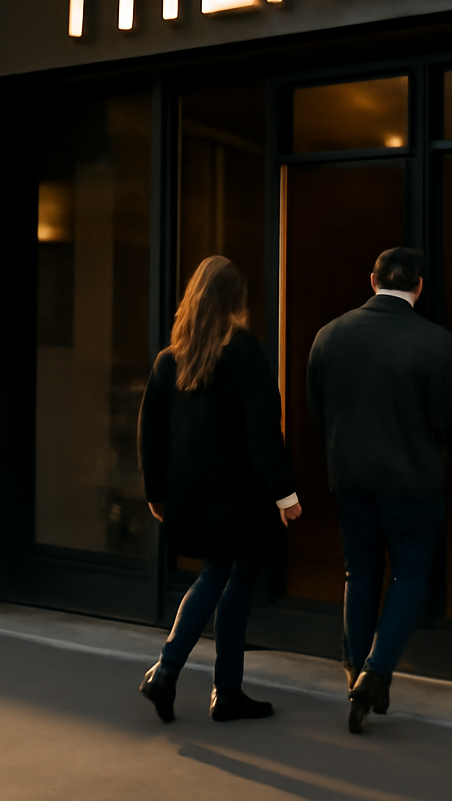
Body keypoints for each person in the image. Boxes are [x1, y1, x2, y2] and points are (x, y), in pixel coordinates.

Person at [306, 247, 452, 734]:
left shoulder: (329, 335)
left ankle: (356, 669)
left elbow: (317, 411)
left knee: (360, 571)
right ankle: (375, 674)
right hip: (412, 481)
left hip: (349, 478)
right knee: (409, 573)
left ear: (373, 281)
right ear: (419, 286)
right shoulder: (438, 344)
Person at [137, 256, 303, 723]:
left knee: (226, 575)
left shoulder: (170, 360)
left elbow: (150, 434)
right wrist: (286, 495)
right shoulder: (244, 352)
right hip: (239, 498)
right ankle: (175, 673)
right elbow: (264, 429)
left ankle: (220, 689)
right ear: (235, 300)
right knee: (226, 577)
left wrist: (155, 493)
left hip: (189, 495)